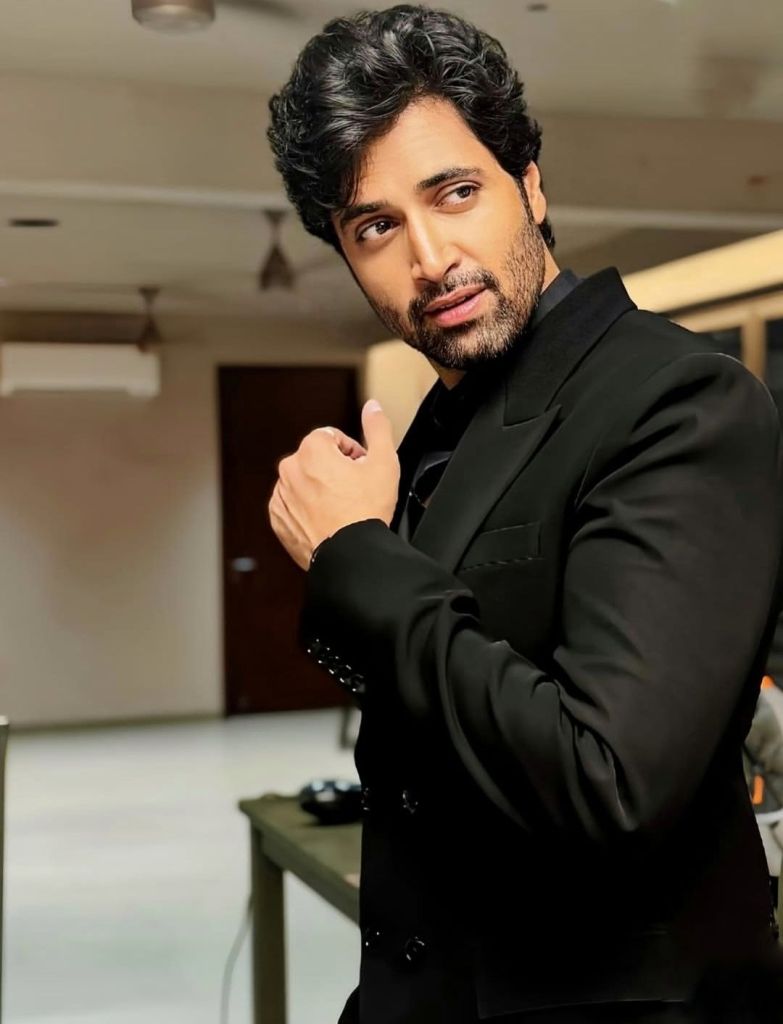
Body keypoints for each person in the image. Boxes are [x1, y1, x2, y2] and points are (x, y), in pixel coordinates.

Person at [265, 6, 783, 1022]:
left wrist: (355, 553)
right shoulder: (440, 426)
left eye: (455, 192)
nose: (430, 257)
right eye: (376, 227)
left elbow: (610, 787)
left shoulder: (679, 398)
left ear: (530, 185)